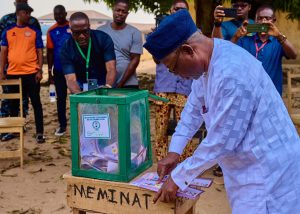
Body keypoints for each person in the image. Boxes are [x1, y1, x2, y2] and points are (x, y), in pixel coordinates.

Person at [144, 10, 300, 213]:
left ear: (188, 50)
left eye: (174, 68)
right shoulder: (208, 63)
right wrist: (174, 152)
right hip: (246, 169)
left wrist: (179, 176)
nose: (178, 76)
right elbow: (192, 110)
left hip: (267, 171)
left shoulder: (231, 72)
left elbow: (222, 140)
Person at [152, 0, 197, 161]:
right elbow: (157, 60)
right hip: (163, 87)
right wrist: (156, 40)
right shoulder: (161, 31)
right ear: (171, 11)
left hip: (184, 88)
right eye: (176, 9)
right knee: (160, 129)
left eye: (182, 10)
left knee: (185, 129)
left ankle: (185, 163)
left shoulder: (193, 33)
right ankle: (161, 162)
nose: (178, 12)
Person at [0, 3, 45, 143]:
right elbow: (3, 52)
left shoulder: (34, 31)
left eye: (29, 13)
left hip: (31, 73)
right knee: (13, 103)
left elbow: (39, 52)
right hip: (13, 73)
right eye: (26, 13)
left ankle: (39, 133)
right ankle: (13, 131)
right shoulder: (7, 31)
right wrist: (1, 71)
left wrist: (39, 70)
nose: (29, 16)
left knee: (36, 103)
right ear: (19, 13)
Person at [231, 5, 297, 95]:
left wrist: (279, 36)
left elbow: (293, 55)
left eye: (267, 18)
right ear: (255, 21)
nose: (263, 21)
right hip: (249, 93)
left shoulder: (279, 41)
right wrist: (236, 36)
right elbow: (228, 54)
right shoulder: (245, 40)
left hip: (272, 95)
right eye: (260, 18)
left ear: (274, 20)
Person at [60, 12, 117, 94]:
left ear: (89, 27)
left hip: (104, 83)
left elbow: (111, 68)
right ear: (71, 31)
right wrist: (80, 96)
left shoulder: (103, 39)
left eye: (85, 31)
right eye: (77, 33)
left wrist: (107, 87)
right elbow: (70, 79)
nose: (82, 36)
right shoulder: (66, 48)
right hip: (81, 86)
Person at [98, 0, 143, 88]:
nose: (120, 13)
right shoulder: (100, 31)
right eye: (118, 10)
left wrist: (121, 84)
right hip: (105, 82)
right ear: (113, 10)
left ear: (127, 14)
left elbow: (135, 60)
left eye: (124, 11)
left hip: (128, 83)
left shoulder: (135, 32)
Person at [47, 5, 71, 136]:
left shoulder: (73, 28)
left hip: (75, 70)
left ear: (65, 13)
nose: (58, 16)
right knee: (60, 98)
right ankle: (62, 125)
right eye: (56, 14)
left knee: (78, 95)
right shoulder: (51, 31)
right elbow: (50, 52)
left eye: (61, 14)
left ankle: (82, 122)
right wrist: (49, 71)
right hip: (59, 70)